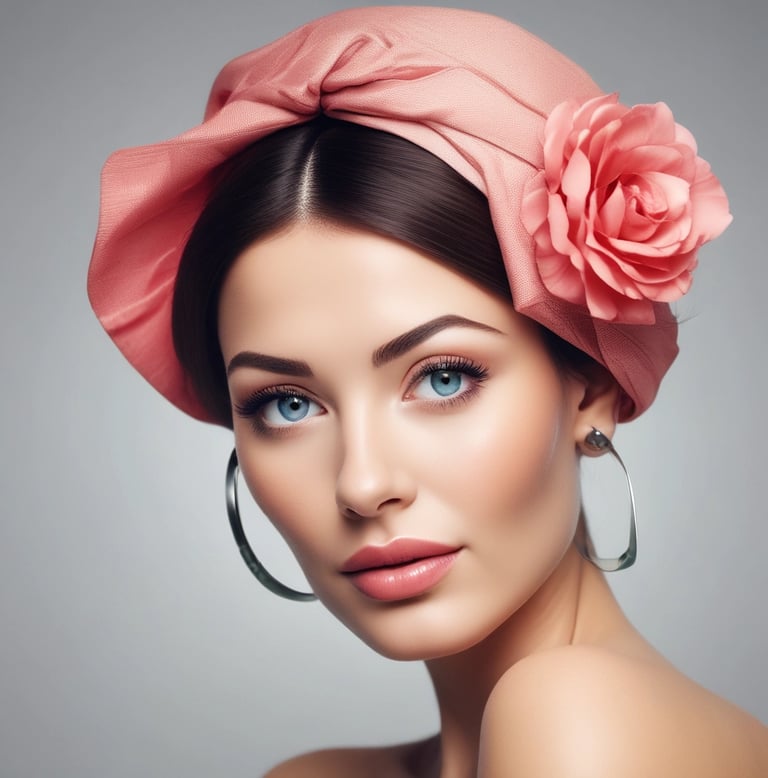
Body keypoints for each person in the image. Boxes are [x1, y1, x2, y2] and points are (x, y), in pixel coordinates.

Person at [87, 7, 767, 776]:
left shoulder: (583, 720)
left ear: (593, 389)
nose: (364, 484)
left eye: (443, 378)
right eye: (287, 404)